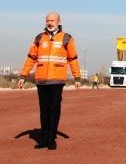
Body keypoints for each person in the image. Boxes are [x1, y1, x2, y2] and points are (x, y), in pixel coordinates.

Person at [18, 11, 80, 150]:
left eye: (52, 20)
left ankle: (51, 139)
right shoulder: (40, 38)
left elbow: (72, 59)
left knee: (54, 109)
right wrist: (23, 76)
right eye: (47, 20)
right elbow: (31, 58)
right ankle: (44, 139)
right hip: (41, 80)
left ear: (58, 22)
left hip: (57, 80)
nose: (49, 23)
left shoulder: (66, 38)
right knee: (44, 110)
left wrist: (77, 77)